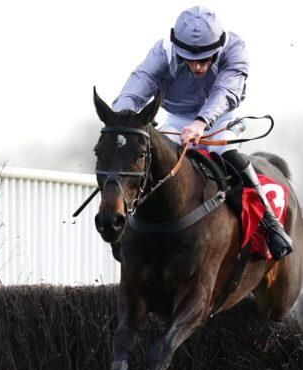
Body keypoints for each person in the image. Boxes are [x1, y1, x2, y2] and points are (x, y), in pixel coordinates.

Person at [112, 6, 292, 259]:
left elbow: (225, 93)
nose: (197, 67)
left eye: (205, 60)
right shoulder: (162, 53)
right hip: (176, 119)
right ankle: (129, 229)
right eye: (190, 59)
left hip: (220, 117)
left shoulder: (234, 49)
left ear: (217, 49)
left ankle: (272, 225)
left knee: (225, 151)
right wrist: (119, 117)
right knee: (145, 158)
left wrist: (200, 123)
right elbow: (137, 86)